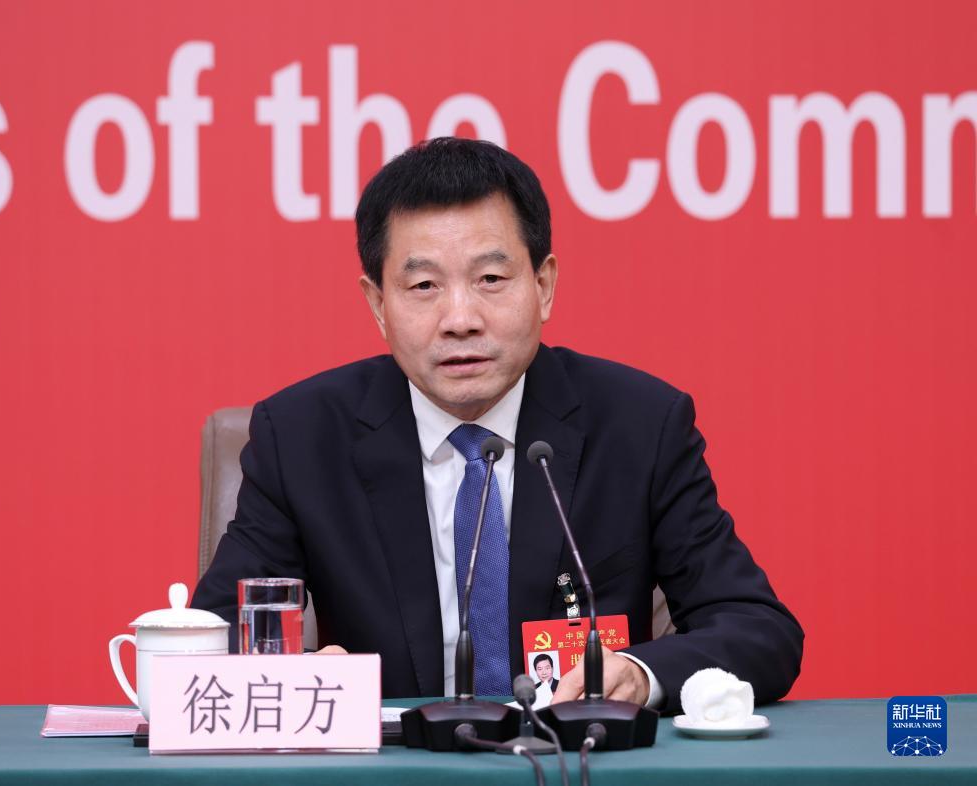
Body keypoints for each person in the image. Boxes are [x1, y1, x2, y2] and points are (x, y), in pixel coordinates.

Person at [192, 137, 803, 713]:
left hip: (575, 765)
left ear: (543, 286)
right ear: (378, 305)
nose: (460, 318)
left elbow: (759, 630)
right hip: (391, 771)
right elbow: (212, 646)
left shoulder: (639, 426)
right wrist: (298, 678)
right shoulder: (301, 438)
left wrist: (642, 675)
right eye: (424, 285)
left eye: (490, 279)